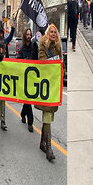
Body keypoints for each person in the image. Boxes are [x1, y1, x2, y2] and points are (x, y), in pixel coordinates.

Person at [37, 24, 62, 162]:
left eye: (55, 32)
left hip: (53, 85)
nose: (53, 34)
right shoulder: (43, 46)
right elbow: (41, 62)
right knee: (47, 115)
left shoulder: (58, 47)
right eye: (51, 32)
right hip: (45, 85)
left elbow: (61, 64)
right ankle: (49, 148)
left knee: (49, 115)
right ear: (47, 34)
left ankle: (42, 142)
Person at [18, 28, 38, 133]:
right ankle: (30, 122)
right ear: (25, 36)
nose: (29, 36)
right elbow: (18, 60)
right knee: (28, 100)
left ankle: (22, 113)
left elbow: (37, 58)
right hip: (24, 78)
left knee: (28, 99)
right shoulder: (22, 49)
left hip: (32, 77)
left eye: (30, 34)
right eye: (28, 34)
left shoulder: (34, 47)